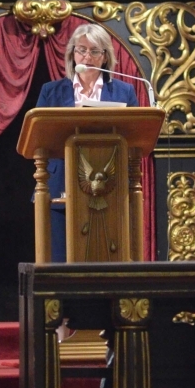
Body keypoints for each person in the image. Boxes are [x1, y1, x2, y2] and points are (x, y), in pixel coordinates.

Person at [36, 23, 138, 263]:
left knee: (108, 258)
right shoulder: (51, 92)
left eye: (95, 51)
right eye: (81, 50)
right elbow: (37, 138)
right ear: (72, 54)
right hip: (59, 185)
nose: (87, 57)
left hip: (110, 187)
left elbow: (135, 140)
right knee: (60, 260)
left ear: (105, 57)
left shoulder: (124, 92)